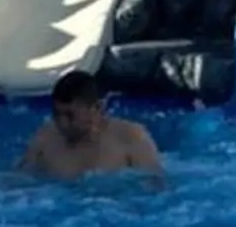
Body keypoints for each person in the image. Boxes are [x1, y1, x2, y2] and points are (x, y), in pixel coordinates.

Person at [20, 70, 164, 185]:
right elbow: (20, 180)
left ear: (96, 108)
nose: (62, 123)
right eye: (57, 114)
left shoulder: (131, 137)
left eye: (70, 115)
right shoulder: (46, 136)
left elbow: (156, 188)